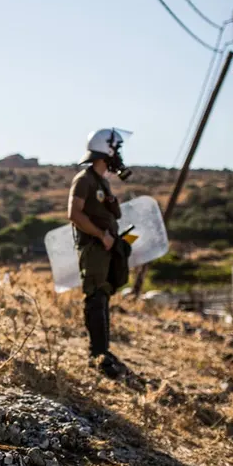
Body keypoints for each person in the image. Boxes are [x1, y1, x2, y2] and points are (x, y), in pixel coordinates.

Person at [67, 128, 132, 378]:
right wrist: (100, 234)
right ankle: (97, 355)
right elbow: (74, 214)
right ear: (106, 149)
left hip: (105, 247)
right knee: (95, 297)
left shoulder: (101, 180)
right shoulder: (84, 179)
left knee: (103, 295)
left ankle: (104, 351)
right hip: (93, 248)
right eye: (116, 149)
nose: (119, 155)